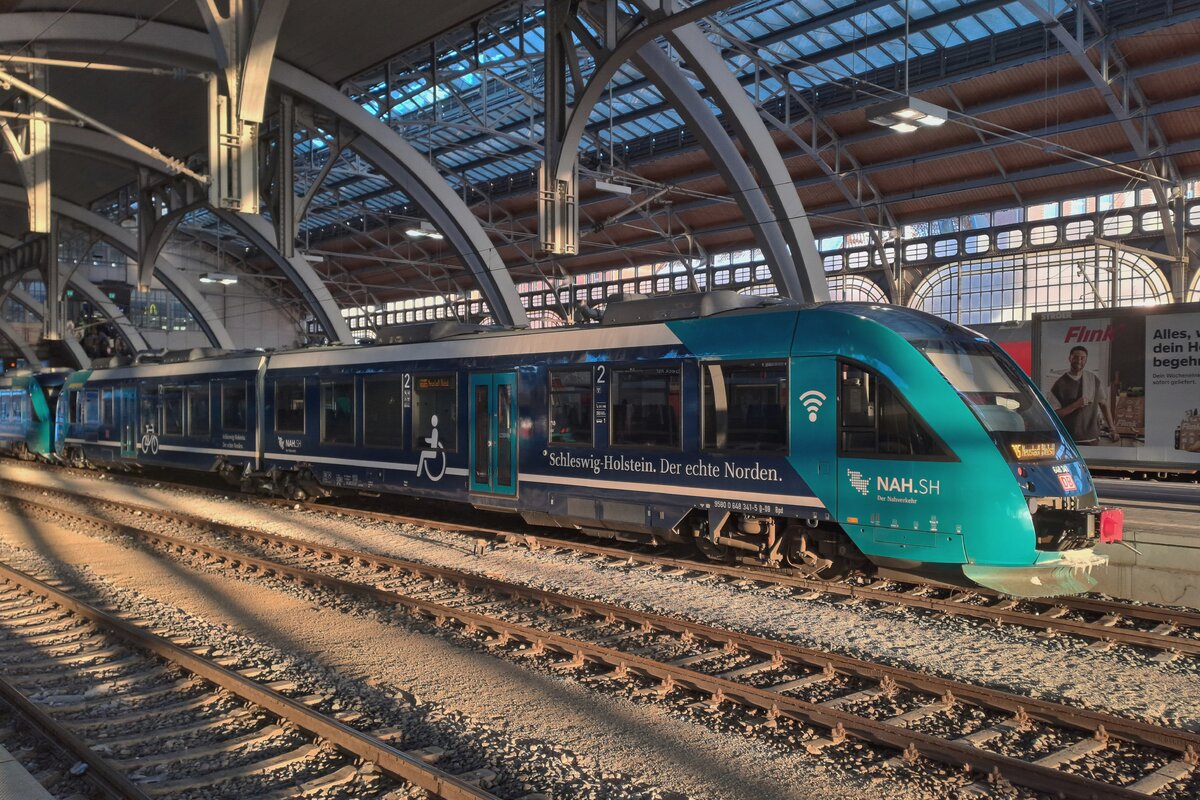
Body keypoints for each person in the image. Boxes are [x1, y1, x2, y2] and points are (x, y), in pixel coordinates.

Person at [1049, 345, 1119, 445]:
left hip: (1092, 438)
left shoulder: (1093, 379)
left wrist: (1112, 429)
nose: (1079, 361)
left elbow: (1103, 404)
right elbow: (1054, 414)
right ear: (1070, 358)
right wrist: (1075, 405)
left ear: (1086, 360)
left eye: (1082, 358)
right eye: (1076, 357)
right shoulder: (1059, 384)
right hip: (1069, 440)